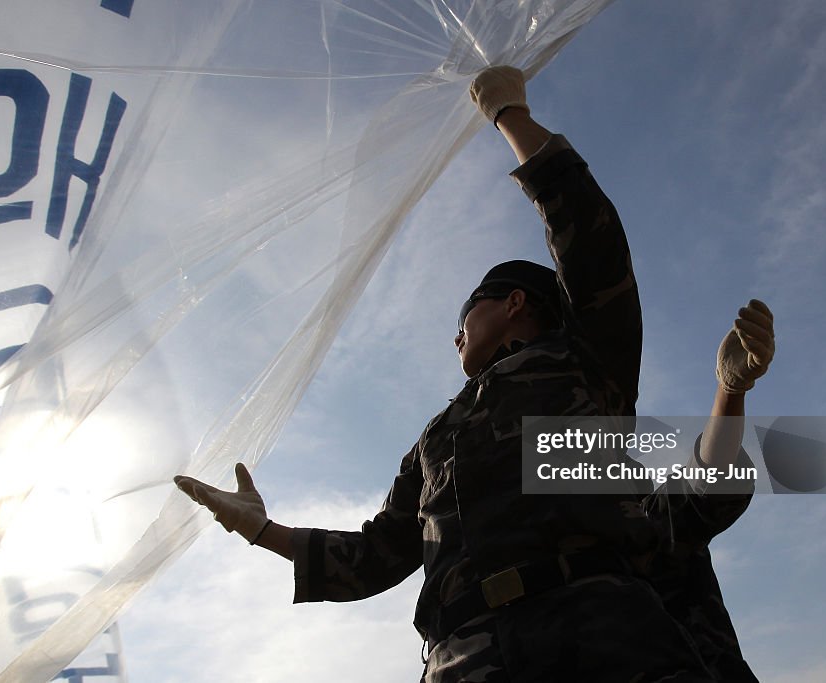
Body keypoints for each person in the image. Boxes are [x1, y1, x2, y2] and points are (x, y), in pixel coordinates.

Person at [175, 66, 775, 681]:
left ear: (514, 303)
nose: (455, 333)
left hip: (597, 634)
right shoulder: (438, 438)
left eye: (466, 313)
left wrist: (508, 113)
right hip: (462, 655)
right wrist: (261, 529)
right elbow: (376, 555)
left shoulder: (583, 363)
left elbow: (590, 244)